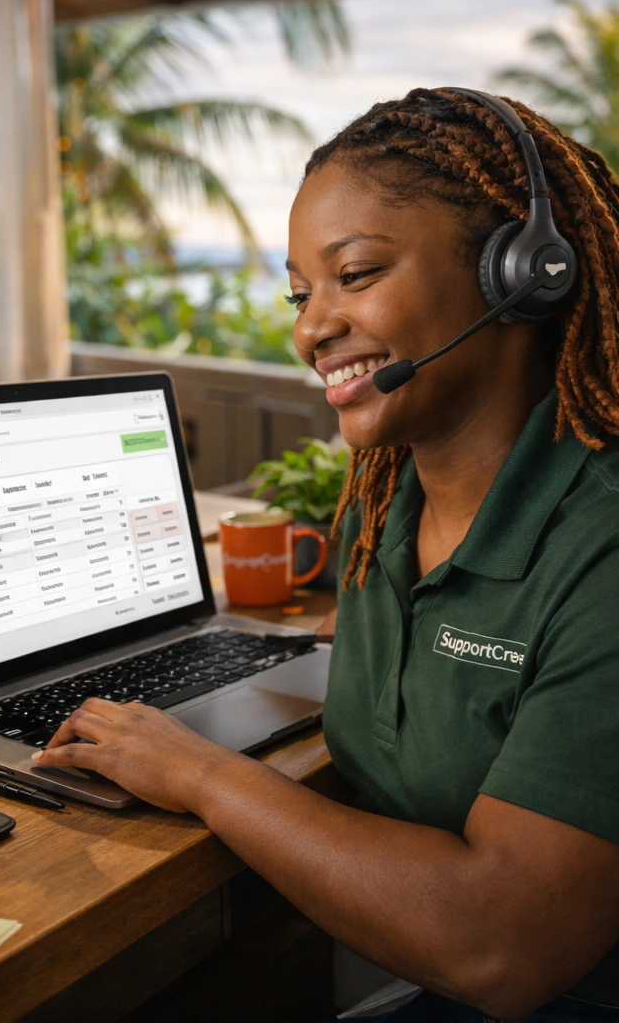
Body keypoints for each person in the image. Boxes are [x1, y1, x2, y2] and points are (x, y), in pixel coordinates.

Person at [33, 88, 619, 1022]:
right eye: (302, 294)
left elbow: (506, 945)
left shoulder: (603, 546)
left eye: (357, 274)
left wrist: (202, 772)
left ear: (520, 272)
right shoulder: (389, 510)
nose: (311, 330)